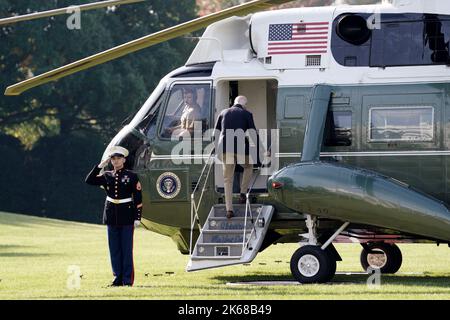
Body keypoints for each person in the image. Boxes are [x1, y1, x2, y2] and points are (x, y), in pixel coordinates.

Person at [85, 146, 143, 287]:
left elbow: (138, 198)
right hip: (111, 215)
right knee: (114, 250)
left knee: (126, 250)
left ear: (123, 159)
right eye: (113, 159)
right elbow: (89, 180)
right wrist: (100, 166)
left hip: (127, 216)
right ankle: (117, 279)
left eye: (118, 158)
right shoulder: (107, 175)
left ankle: (127, 280)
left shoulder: (131, 176)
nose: (116, 161)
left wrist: (137, 217)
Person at [215, 96, 258, 219]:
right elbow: (253, 133)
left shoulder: (223, 112)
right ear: (244, 105)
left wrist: (215, 148)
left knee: (227, 179)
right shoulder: (246, 113)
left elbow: (215, 133)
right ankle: (243, 193)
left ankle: (229, 210)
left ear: (234, 103)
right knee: (249, 166)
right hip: (239, 148)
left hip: (224, 148)